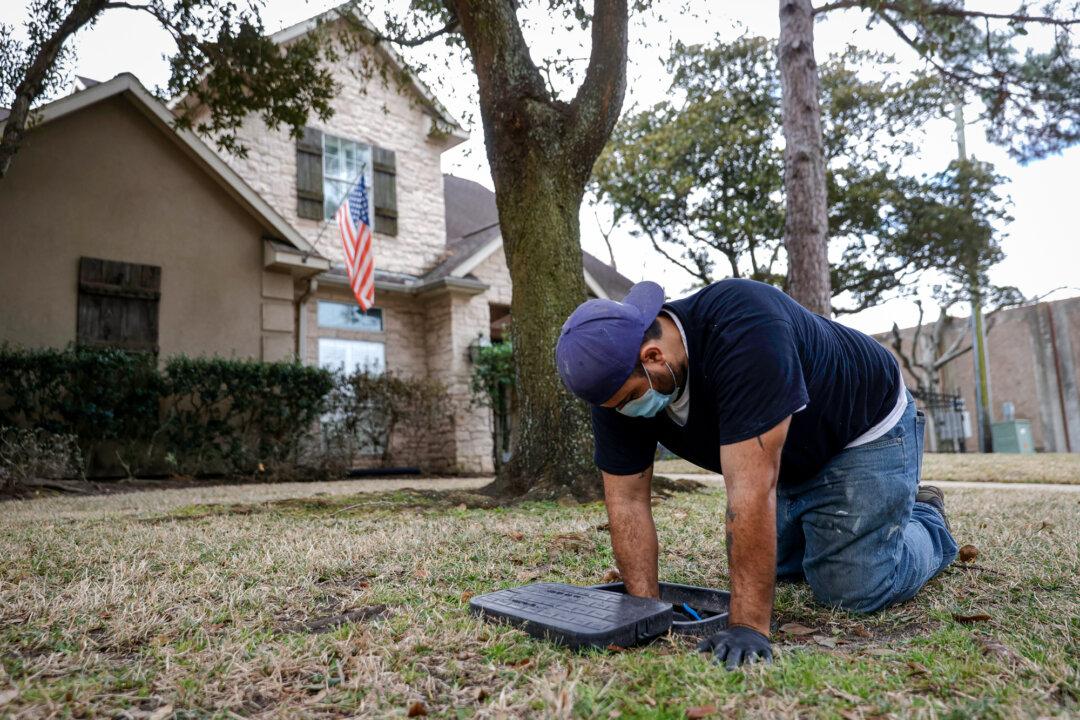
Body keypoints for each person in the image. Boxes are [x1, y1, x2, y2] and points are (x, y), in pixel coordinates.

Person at [555, 279, 958, 670]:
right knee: (779, 569)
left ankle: (927, 517)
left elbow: (750, 488)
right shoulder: (613, 388)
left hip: (861, 429)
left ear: (654, 356)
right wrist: (643, 613)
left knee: (851, 586)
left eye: (628, 400)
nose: (623, 412)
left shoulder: (745, 329)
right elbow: (626, 500)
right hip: (787, 454)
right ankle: (832, 521)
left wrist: (748, 626)